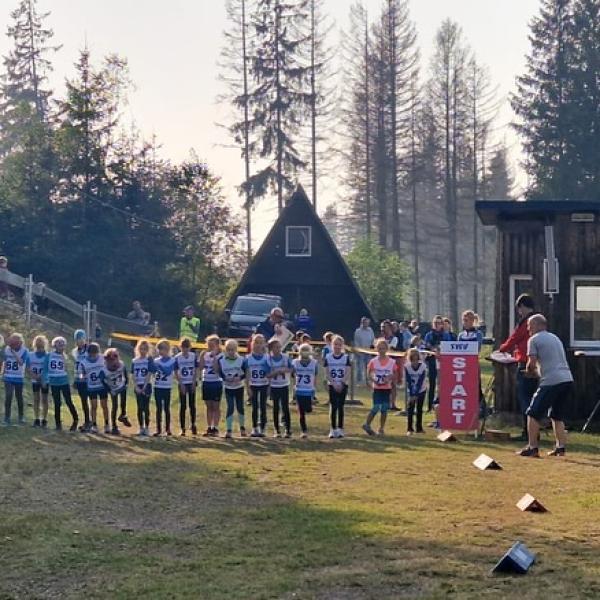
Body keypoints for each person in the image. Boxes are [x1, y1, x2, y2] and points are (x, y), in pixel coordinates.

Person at [517, 314, 574, 458]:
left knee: (532, 413)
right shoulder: (555, 338)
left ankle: (532, 447)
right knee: (556, 415)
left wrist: (529, 372)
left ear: (537, 325)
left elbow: (531, 363)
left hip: (551, 381)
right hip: (567, 379)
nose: (528, 329)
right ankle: (560, 448)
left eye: (530, 326)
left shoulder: (534, 340)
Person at [499, 294, 537, 440]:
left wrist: (502, 349)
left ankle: (528, 432)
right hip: (536, 363)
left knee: (524, 398)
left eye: (519, 309)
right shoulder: (538, 320)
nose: (518, 312)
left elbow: (514, 338)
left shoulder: (526, 322)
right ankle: (533, 431)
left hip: (524, 362)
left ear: (521, 307)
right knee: (533, 397)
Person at [362, 338, 397, 436]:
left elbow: (394, 374)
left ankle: (381, 428)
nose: (381, 351)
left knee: (384, 408)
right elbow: (369, 373)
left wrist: (389, 378)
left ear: (387, 349)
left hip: (387, 388)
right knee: (376, 407)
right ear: (376, 349)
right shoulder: (373, 361)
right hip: (377, 388)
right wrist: (374, 380)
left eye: (383, 348)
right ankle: (367, 424)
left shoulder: (391, 362)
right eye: (379, 348)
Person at [457, 310, 485, 432]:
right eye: (464, 320)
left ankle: (479, 415)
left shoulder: (478, 334)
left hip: (473, 365)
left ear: (473, 321)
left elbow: (477, 349)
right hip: (461, 366)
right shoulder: (460, 335)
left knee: (476, 390)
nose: (465, 322)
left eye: (467, 320)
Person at [43, 337, 79, 431]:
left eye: (63, 344)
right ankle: (58, 424)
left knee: (68, 401)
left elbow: (69, 369)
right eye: (59, 344)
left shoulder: (65, 356)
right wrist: (44, 380)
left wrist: (71, 380)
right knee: (57, 403)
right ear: (54, 345)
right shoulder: (49, 355)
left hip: (64, 382)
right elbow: (45, 369)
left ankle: (75, 419)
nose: (61, 346)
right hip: (54, 382)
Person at [324, 335, 351, 439]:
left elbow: (348, 371)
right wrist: (334, 383)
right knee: (333, 406)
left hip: (343, 385)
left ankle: (340, 429)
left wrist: (342, 383)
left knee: (341, 406)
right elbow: (327, 373)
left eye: (339, 345)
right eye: (335, 344)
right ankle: (333, 428)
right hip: (332, 385)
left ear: (342, 346)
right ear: (331, 345)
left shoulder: (345, 358)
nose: (337, 347)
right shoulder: (328, 357)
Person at [218, 339, 247, 438]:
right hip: (228, 388)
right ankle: (229, 429)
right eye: (228, 349)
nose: (231, 352)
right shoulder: (222, 361)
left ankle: (242, 428)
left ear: (236, 349)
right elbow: (220, 372)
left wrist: (240, 377)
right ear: (226, 350)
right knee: (230, 407)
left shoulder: (241, 360)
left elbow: (246, 373)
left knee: (240, 408)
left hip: (239, 387)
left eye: (233, 349)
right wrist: (225, 378)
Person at [245, 333, 271, 437]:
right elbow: (247, 374)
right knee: (254, 407)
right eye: (256, 342)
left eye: (261, 343)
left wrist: (269, 386)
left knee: (263, 406)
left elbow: (269, 373)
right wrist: (247, 387)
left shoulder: (267, 358)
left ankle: (262, 428)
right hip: (253, 384)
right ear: (252, 344)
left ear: (264, 344)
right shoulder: (248, 358)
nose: (258, 345)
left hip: (264, 384)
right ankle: (254, 427)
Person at [78, 342, 108, 434]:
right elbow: (80, 372)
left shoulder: (103, 358)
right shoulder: (84, 362)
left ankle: (107, 424)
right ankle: (94, 424)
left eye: (95, 353)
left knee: (104, 405)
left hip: (102, 386)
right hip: (91, 387)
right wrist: (81, 376)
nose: (93, 355)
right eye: (91, 353)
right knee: (94, 406)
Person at [267, 338, 293, 438]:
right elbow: (267, 374)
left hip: (284, 385)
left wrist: (284, 370)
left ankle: (288, 429)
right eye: (276, 347)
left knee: (285, 407)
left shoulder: (285, 357)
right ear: (271, 349)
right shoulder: (268, 359)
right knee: (276, 408)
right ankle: (276, 430)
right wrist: (275, 372)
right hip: (274, 386)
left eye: (279, 347)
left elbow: (292, 369)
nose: (278, 349)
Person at [100, 348, 129, 435]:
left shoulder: (121, 364)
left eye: (115, 360)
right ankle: (114, 426)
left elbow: (125, 374)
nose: (114, 363)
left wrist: (126, 383)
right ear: (107, 360)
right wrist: (109, 390)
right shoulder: (104, 370)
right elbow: (102, 380)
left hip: (122, 385)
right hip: (113, 388)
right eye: (111, 360)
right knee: (115, 406)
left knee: (123, 403)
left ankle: (123, 415)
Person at [292, 343, 318, 439]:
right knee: (301, 412)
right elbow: (292, 374)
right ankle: (304, 431)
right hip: (299, 389)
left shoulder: (314, 363)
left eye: (307, 350)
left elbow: (315, 376)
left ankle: (310, 405)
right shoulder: (295, 362)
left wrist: (314, 390)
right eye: (303, 350)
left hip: (308, 389)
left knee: (308, 409)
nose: (305, 353)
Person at [424, 315, 449, 415]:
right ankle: (430, 406)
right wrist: (433, 349)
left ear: (442, 324)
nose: (437, 325)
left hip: (443, 361)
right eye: (435, 323)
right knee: (432, 384)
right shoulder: (429, 335)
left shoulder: (445, 335)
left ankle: (442, 404)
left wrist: (439, 349)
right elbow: (426, 345)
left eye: (439, 323)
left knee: (442, 384)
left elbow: (448, 345)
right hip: (432, 361)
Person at [2, 333, 28, 425]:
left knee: (19, 397)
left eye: (15, 343)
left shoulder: (24, 351)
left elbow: (21, 362)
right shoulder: (6, 349)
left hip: (18, 377)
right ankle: (6, 417)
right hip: (8, 376)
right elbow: (5, 362)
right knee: (8, 396)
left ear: (20, 343)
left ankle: (21, 417)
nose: (13, 345)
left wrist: (14, 352)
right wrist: (2, 373)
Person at [174, 337, 199, 436]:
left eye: (187, 347)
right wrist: (181, 383)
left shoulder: (193, 356)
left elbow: (196, 369)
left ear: (190, 347)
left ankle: (193, 424)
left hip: (191, 381)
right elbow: (176, 372)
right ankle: (182, 428)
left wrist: (194, 381)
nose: (185, 349)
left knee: (192, 405)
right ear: (180, 347)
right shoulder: (177, 357)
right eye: (183, 347)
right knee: (183, 406)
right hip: (183, 383)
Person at [199, 335, 223, 437]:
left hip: (216, 382)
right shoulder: (204, 354)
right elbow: (200, 367)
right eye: (208, 345)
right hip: (206, 381)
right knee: (208, 406)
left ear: (217, 345)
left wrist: (215, 358)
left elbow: (217, 370)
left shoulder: (221, 355)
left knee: (216, 406)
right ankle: (209, 426)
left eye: (212, 345)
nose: (210, 347)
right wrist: (202, 357)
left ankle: (215, 427)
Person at [131, 339, 155, 436]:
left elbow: (149, 373)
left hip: (146, 385)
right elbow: (132, 375)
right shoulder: (134, 360)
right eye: (141, 349)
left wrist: (144, 386)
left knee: (146, 407)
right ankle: (141, 427)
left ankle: (147, 427)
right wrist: (136, 386)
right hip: (138, 385)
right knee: (140, 407)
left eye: (145, 349)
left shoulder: (149, 359)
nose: (143, 351)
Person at [153, 339, 176, 436]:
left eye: (162, 349)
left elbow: (168, 371)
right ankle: (158, 429)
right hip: (157, 386)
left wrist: (159, 366)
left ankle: (167, 429)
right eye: (159, 349)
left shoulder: (172, 360)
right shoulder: (156, 360)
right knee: (158, 408)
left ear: (167, 349)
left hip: (167, 387)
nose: (160, 351)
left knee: (166, 408)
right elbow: (153, 372)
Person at [27, 335, 49, 428]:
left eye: (41, 344)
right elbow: (27, 368)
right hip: (35, 379)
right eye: (38, 344)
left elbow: (48, 368)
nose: (39, 346)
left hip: (45, 380)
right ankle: (36, 419)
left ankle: (44, 419)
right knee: (36, 399)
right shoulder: (30, 355)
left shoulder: (48, 355)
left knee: (45, 399)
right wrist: (34, 376)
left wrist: (42, 377)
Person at [72, 330, 91, 432]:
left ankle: (92, 422)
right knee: (84, 401)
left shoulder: (89, 349)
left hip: (89, 379)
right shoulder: (75, 351)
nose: (79, 341)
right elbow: (77, 366)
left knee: (92, 401)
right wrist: (76, 379)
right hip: (80, 379)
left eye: (81, 339)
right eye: (77, 339)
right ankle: (87, 421)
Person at [404, 348, 427, 435]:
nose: (415, 360)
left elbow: (421, 380)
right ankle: (409, 428)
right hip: (411, 390)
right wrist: (412, 393)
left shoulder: (423, 367)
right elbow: (408, 380)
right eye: (412, 358)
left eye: (416, 358)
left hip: (421, 389)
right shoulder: (407, 366)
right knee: (410, 409)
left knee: (419, 409)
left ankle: (419, 428)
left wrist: (416, 393)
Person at [353, 317, 375, 385]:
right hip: (360, 352)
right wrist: (358, 351)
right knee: (360, 367)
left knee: (369, 367)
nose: (366, 324)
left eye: (368, 323)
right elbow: (356, 342)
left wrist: (372, 349)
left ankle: (368, 381)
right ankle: (359, 382)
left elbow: (373, 340)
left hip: (369, 352)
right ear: (362, 323)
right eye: (365, 323)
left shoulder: (370, 330)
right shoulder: (358, 331)